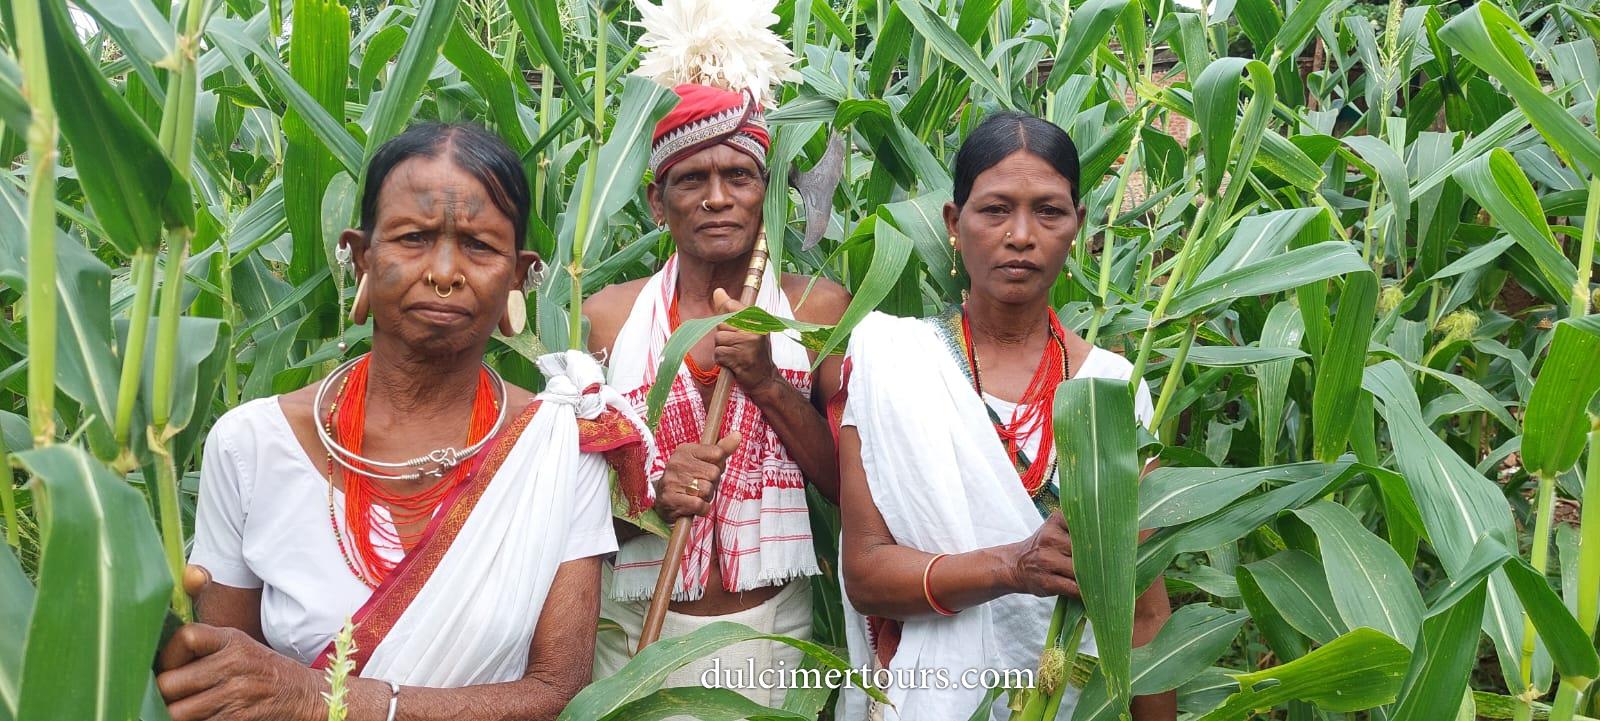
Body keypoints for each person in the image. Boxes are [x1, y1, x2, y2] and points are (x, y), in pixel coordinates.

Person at [157, 122, 655, 721]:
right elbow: (229, 682)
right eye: (413, 238)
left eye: (479, 245)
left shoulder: (557, 448)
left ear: (519, 275)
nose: (444, 271)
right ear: (363, 256)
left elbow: (558, 689)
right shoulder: (250, 444)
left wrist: (327, 701)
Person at [835, 112, 1176, 721]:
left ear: (1077, 226)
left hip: (1076, 700)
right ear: (953, 224)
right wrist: (1012, 567)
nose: (1022, 234)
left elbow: (1142, 608)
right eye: (995, 210)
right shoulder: (893, 361)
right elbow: (865, 572)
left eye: (1049, 211)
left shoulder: (1111, 390)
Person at [581, 19, 851, 710]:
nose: (717, 197)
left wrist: (766, 381)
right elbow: (557, 506)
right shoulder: (606, 317)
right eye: (691, 178)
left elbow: (853, 490)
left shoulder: (815, 310)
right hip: (636, 633)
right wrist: (647, 498)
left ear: (767, 191)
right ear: (655, 200)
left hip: (776, 633)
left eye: (738, 175)